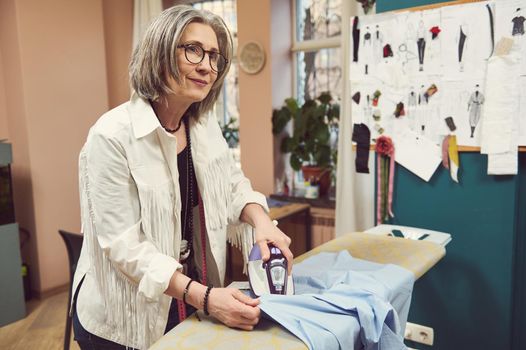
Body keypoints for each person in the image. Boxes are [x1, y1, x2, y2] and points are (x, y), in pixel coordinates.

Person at [71, 5, 293, 350]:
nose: (207, 65)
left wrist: (262, 222)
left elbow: (232, 184)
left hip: (184, 296)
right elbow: (124, 246)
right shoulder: (111, 136)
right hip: (122, 321)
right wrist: (207, 299)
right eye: (193, 50)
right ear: (159, 54)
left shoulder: (203, 126)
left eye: (214, 56)